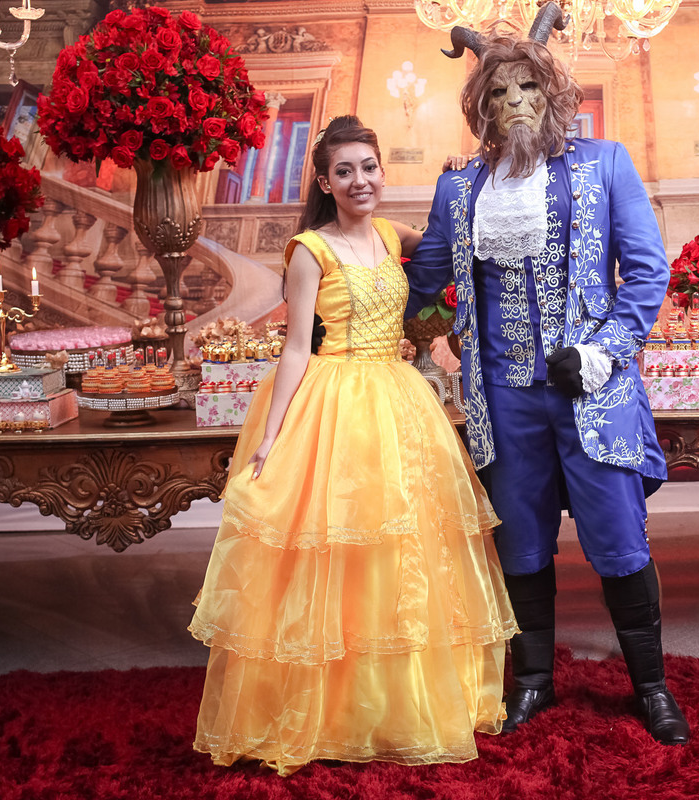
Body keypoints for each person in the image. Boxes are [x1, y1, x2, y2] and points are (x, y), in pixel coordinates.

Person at [190, 116, 517, 775]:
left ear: (381, 172)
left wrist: (461, 182)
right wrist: (272, 436)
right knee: (337, 550)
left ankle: (395, 703)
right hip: (336, 401)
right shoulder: (310, 249)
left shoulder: (393, 235)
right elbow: (295, 348)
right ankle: (332, 707)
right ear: (325, 182)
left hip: (398, 399)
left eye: (368, 167)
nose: (359, 180)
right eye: (345, 171)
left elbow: (451, 237)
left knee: (401, 553)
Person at [403, 3, 690, 745]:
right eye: (499, 92)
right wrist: (346, 244)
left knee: (620, 541)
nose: (515, 102)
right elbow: (422, 279)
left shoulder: (606, 163)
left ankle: (652, 688)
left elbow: (647, 272)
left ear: (553, 92)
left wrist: (603, 350)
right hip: (502, 399)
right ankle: (532, 681)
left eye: (528, 86)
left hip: (592, 392)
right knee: (520, 544)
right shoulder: (458, 191)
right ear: (481, 107)